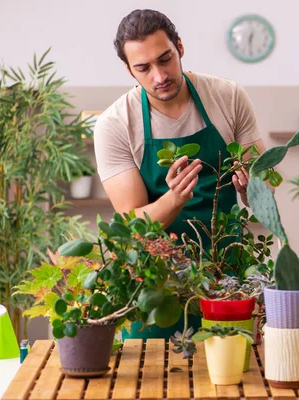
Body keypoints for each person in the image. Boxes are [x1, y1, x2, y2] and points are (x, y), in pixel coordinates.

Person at [93, 9, 266, 339]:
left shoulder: (228, 97)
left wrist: (250, 190)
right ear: (128, 69)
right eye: (143, 68)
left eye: (165, 59)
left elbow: (263, 183)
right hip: (156, 287)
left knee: (233, 379)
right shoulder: (115, 124)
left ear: (180, 48)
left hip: (227, 273)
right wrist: (173, 199)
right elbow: (132, 224)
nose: (159, 76)